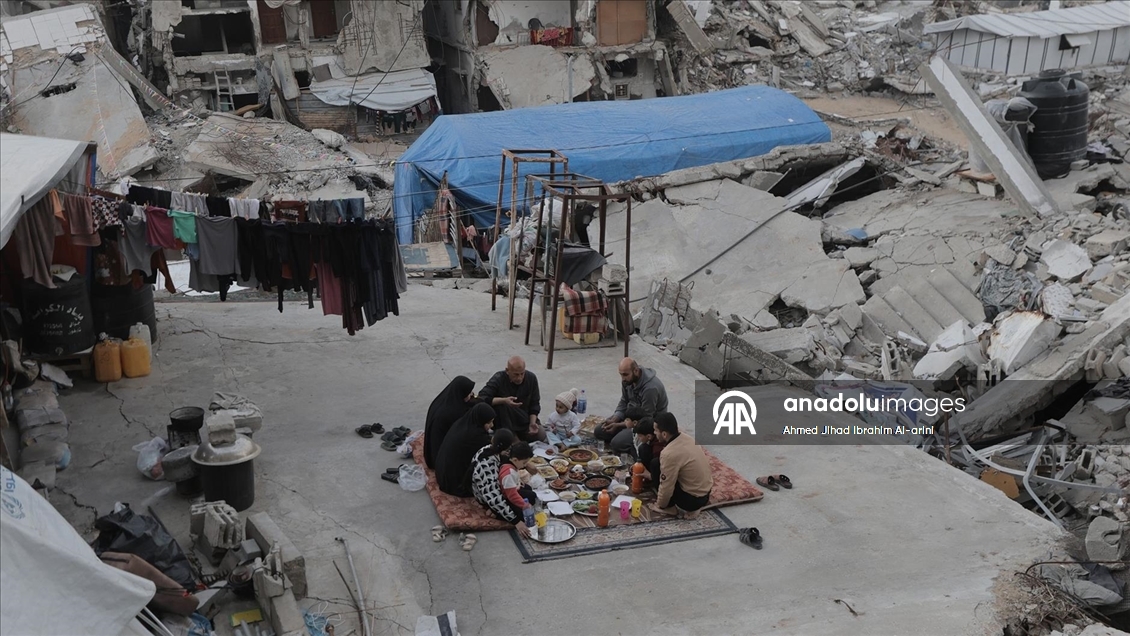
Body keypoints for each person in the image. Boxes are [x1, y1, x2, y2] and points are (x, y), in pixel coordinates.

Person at [596, 358, 669, 454]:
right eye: (621, 374)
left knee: (616, 443)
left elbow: (646, 418)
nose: (623, 378)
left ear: (636, 371)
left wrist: (619, 425)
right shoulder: (627, 381)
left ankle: (636, 448)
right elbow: (624, 401)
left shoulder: (650, 388)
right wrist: (615, 419)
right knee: (599, 431)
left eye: (625, 375)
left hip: (647, 423)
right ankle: (623, 436)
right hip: (630, 417)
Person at [648, 413, 713, 520]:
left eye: (655, 430)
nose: (654, 433)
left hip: (691, 501)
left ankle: (670, 508)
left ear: (664, 434)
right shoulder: (688, 438)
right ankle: (695, 507)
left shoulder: (669, 453)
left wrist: (660, 504)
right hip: (706, 494)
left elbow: (667, 485)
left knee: (655, 465)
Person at [470, 429, 533, 537]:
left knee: (529, 492)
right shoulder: (487, 466)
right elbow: (494, 497)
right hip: (487, 496)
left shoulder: (490, 449)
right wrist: (516, 521)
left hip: (501, 487)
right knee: (524, 512)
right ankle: (495, 512)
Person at [478, 356, 546, 442]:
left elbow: (535, 404)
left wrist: (532, 423)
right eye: (516, 374)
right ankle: (513, 439)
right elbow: (482, 397)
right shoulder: (498, 378)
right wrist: (503, 400)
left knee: (541, 434)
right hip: (503, 420)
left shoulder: (531, 378)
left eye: (522, 374)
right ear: (507, 371)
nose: (519, 378)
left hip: (522, 417)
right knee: (502, 406)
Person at [435, 403, 495, 497]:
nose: (492, 425)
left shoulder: (463, 423)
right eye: (489, 423)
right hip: (454, 483)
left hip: (441, 473)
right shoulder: (475, 436)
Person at [423, 376, 478, 469]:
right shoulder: (452, 414)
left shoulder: (445, 401)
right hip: (441, 460)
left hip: (431, 452)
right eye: (468, 393)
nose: (472, 394)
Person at [498, 442, 539, 525]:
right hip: (507, 497)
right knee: (529, 501)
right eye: (524, 463)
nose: (525, 465)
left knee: (529, 490)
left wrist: (519, 483)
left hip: (514, 488)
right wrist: (524, 505)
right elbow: (512, 496)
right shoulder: (508, 474)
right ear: (515, 460)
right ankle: (497, 514)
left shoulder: (512, 464)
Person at [633, 416, 665, 484]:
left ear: (649, 436)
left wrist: (651, 476)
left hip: (661, 474)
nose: (638, 438)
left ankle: (649, 478)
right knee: (643, 447)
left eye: (640, 436)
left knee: (643, 449)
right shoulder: (654, 439)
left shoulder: (657, 450)